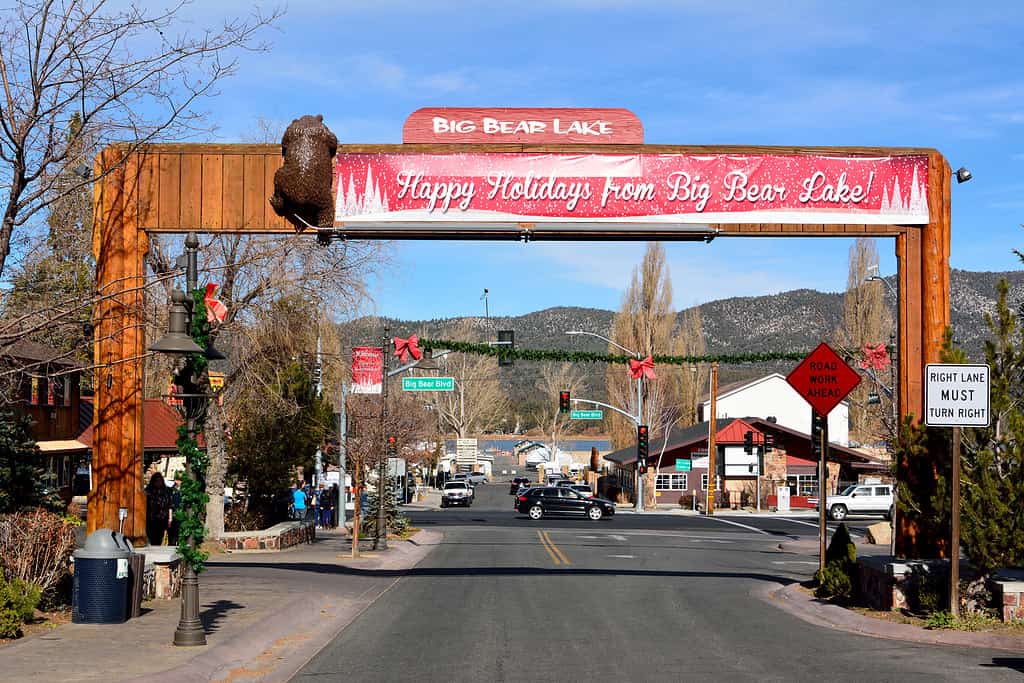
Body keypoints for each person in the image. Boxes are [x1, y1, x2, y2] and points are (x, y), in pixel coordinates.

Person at [145, 472, 172, 545]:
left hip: (162, 519)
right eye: (156, 481)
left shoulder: (166, 492)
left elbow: (169, 505)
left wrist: (170, 518)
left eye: (159, 481)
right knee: (152, 537)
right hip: (151, 519)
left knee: (159, 537)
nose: (158, 483)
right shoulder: (148, 491)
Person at [167, 474, 183, 545]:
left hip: (181, 515)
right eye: (177, 480)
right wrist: (170, 518)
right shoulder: (171, 490)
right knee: (172, 537)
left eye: (180, 480)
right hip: (173, 514)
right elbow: (169, 505)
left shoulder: (183, 491)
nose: (179, 482)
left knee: (179, 535)